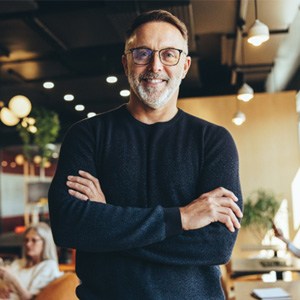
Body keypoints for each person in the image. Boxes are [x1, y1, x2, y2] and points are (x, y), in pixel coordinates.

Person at [48, 9, 243, 299]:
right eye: (142, 53)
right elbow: (68, 227)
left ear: (185, 65)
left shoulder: (213, 140)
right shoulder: (87, 135)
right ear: (126, 61)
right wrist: (182, 218)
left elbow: (217, 245)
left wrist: (106, 220)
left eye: (169, 54)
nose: (155, 66)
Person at [0, 222, 62, 300]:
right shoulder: (18, 263)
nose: (28, 244)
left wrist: (13, 280)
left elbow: (30, 298)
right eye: (26, 240)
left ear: (45, 243)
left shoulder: (48, 266)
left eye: (34, 240)